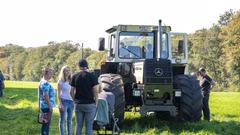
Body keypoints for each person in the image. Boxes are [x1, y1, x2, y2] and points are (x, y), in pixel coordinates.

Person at [70, 59, 99, 135]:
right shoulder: (92, 76)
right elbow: (96, 91)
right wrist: (96, 102)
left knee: (78, 125)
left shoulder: (75, 76)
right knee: (89, 126)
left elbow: (71, 91)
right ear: (87, 66)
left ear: (79, 67)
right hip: (90, 104)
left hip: (78, 104)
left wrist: (74, 100)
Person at [38, 68, 56, 135]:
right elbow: (45, 95)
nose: (51, 75)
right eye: (50, 73)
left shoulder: (42, 81)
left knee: (45, 123)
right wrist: (50, 106)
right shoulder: (45, 82)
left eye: (52, 73)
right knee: (46, 124)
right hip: (47, 106)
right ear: (45, 73)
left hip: (44, 105)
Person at [57, 65, 74, 135]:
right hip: (63, 101)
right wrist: (60, 104)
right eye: (65, 71)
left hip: (71, 102)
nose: (67, 72)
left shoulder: (72, 80)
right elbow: (58, 94)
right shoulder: (60, 81)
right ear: (63, 72)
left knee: (69, 121)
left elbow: (74, 91)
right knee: (62, 120)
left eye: (68, 70)